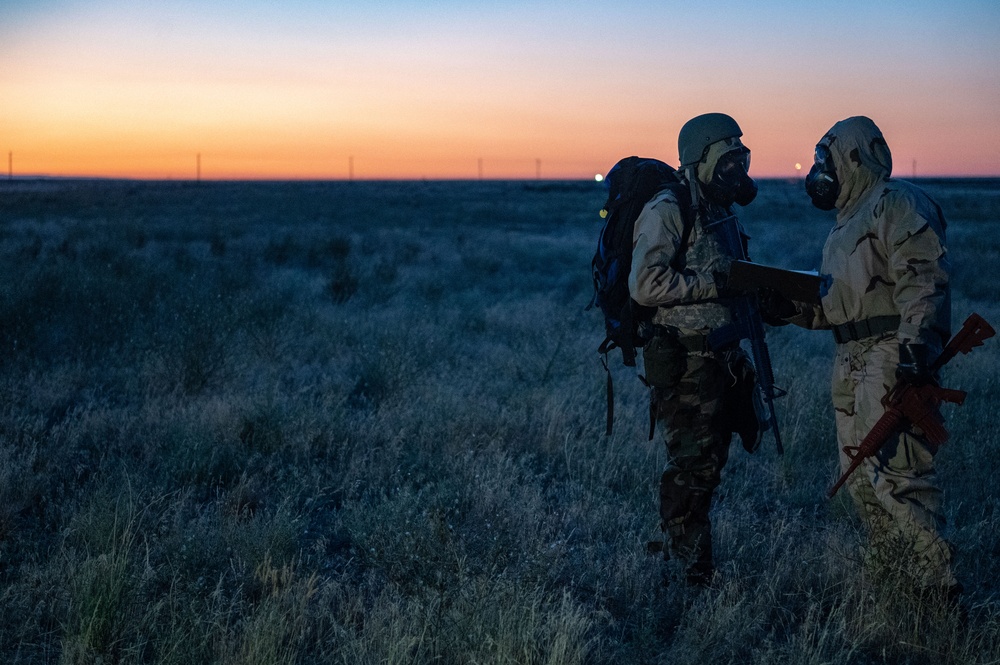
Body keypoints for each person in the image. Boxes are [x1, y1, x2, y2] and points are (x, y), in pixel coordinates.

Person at [794, 115, 959, 601]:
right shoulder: (845, 223)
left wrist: (912, 350)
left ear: (853, 158)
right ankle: (898, 582)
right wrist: (789, 307)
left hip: (890, 356)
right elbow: (842, 307)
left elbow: (924, 277)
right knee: (862, 479)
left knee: (897, 477)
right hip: (850, 358)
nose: (819, 172)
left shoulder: (896, 202)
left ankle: (939, 595)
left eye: (827, 161)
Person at [629, 112, 768, 586]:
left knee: (709, 465)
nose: (736, 170)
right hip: (687, 363)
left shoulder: (718, 210)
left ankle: (684, 555)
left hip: (722, 358)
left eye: (741, 159)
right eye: (727, 160)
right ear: (699, 160)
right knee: (691, 470)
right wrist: (710, 285)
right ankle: (688, 573)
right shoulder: (669, 208)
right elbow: (645, 285)